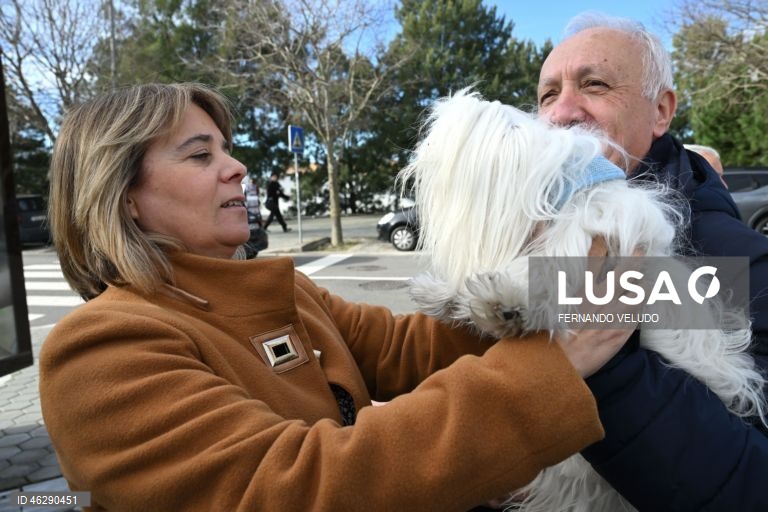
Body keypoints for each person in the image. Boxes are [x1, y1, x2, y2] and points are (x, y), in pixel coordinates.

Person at [39, 83, 634, 511]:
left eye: (226, 147)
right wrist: (549, 366)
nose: (238, 168)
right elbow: (295, 487)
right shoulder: (101, 350)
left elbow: (411, 347)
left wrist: (593, 266)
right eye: (201, 155)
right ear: (121, 196)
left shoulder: (285, 292)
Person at [537, 12, 768, 510]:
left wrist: (607, 369)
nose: (562, 113)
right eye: (547, 95)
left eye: (594, 84)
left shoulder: (740, 263)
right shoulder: (532, 243)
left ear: (661, 111)